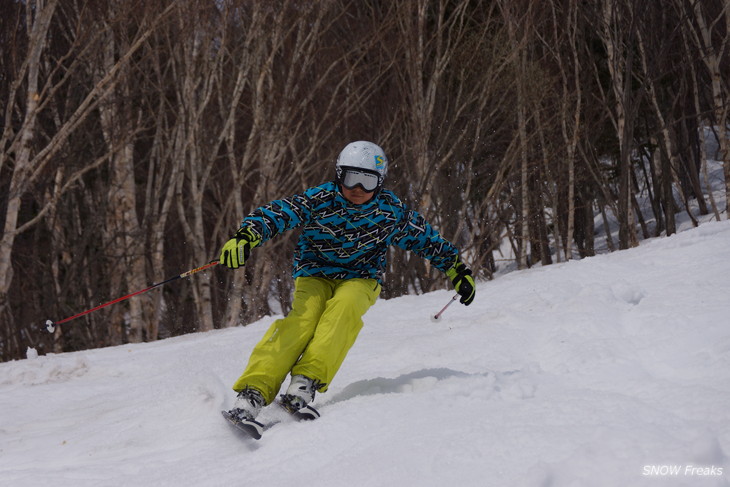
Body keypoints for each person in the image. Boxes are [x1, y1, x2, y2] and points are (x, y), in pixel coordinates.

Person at [219, 141, 475, 433]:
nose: (357, 188)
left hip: (361, 276)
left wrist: (457, 269)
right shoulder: (320, 199)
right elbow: (280, 213)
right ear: (338, 175)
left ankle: (305, 382)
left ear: (380, 183)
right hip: (315, 273)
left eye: (367, 181)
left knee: (344, 310)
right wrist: (246, 236)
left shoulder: (389, 211)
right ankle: (254, 390)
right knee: (303, 321)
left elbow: (425, 239)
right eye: (351, 178)